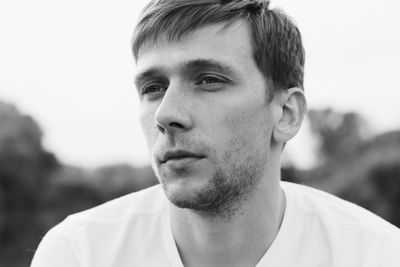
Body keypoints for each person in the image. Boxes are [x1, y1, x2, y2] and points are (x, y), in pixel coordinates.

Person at [31, 0, 400, 266]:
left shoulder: (375, 255)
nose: (166, 114)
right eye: (153, 87)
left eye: (209, 80)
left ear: (286, 114)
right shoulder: (80, 253)